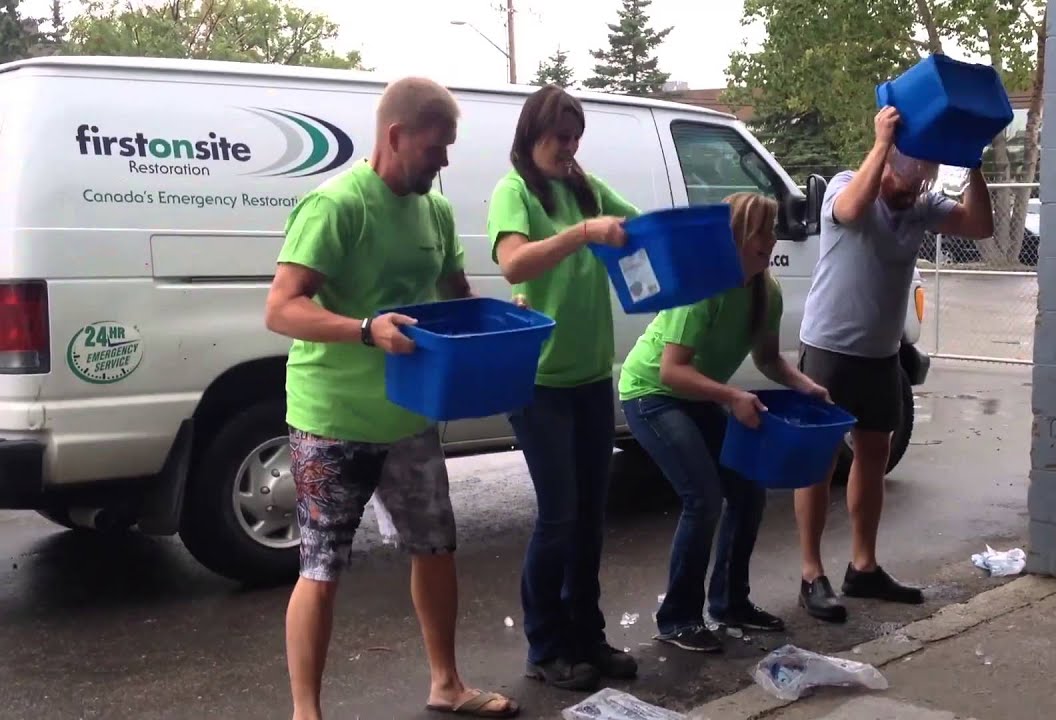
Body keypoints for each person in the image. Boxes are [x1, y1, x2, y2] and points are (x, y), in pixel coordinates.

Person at [264, 77, 519, 719]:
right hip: (333, 415)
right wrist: (363, 329)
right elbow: (281, 308)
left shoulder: (433, 210)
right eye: (437, 147)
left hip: (410, 411)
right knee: (321, 565)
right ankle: (306, 714)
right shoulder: (337, 206)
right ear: (396, 135)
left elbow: (455, 297)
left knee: (435, 546)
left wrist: (501, 319)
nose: (444, 160)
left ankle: (446, 685)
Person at [794, 105, 996, 623]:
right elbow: (851, 209)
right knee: (816, 463)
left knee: (873, 457)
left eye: (920, 182)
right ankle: (811, 573)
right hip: (830, 349)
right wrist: (881, 144)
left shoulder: (921, 204)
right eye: (905, 181)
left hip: (881, 355)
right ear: (885, 165)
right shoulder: (847, 184)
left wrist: (970, 163)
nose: (912, 193)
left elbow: (978, 224)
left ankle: (863, 567)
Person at [618, 192, 830, 653]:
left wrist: (805, 386)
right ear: (733, 236)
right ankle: (677, 618)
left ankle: (731, 603)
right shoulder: (703, 287)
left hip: (695, 393)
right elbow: (671, 370)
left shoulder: (764, 292)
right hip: (651, 394)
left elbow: (769, 359)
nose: (771, 241)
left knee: (749, 492)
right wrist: (733, 396)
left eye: (773, 230)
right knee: (704, 498)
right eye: (762, 231)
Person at [486, 85, 639, 693]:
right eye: (559, 140)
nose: (568, 150)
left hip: (591, 376)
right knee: (558, 518)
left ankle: (588, 637)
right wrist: (583, 234)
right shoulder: (515, 190)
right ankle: (545, 646)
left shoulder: (585, 186)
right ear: (531, 137)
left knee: (591, 519)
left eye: (575, 140)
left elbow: (633, 228)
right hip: (540, 381)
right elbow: (514, 264)